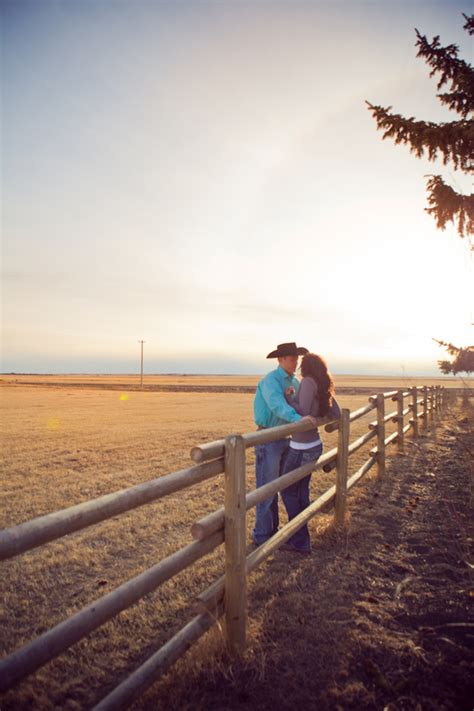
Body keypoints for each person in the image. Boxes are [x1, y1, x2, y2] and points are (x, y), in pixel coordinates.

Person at [252, 342, 317, 546]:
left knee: (278, 486)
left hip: (287, 439)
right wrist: (298, 419)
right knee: (266, 489)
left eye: (296, 359)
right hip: (269, 438)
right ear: (280, 360)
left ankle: (272, 531)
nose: (295, 362)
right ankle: (263, 536)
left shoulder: (295, 382)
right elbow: (277, 405)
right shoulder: (271, 380)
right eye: (291, 359)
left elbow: (299, 403)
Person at [280, 352, 341, 553]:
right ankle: (301, 539)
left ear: (306, 367)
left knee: (288, 489)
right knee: (301, 490)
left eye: (301, 364)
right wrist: (318, 413)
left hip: (301, 447)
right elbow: (336, 413)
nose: (298, 365)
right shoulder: (323, 384)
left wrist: (289, 399)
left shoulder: (307, 382)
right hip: (314, 445)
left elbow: (303, 411)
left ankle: (300, 540)